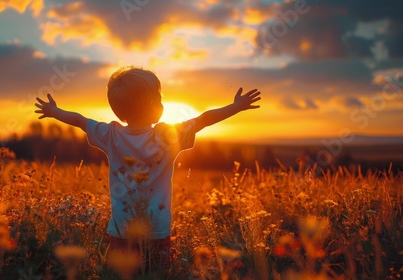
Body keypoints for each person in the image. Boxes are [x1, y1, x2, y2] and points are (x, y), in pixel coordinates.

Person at [35, 65, 261, 269]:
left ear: (119, 111)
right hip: (157, 229)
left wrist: (54, 111)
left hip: (121, 228)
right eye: (159, 98)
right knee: (158, 272)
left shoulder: (111, 135)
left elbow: (80, 120)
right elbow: (204, 119)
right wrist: (235, 107)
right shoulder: (167, 135)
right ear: (154, 105)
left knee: (121, 272)